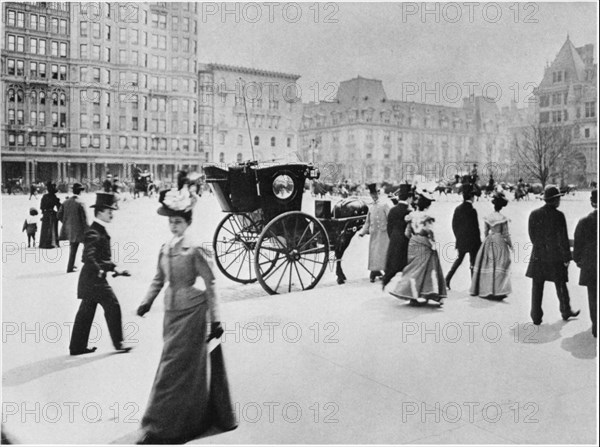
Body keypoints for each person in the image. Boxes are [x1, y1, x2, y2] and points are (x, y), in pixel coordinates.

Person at [135, 185, 232, 444]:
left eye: (178, 222)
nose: (173, 226)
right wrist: (146, 302)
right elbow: (158, 278)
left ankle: (161, 426)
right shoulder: (165, 248)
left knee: (173, 370)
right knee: (176, 368)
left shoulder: (195, 249)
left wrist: (216, 320)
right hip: (171, 313)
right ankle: (183, 418)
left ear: (187, 222)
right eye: (170, 222)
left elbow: (211, 284)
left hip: (192, 314)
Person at [69, 192, 133, 355]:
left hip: (89, 279)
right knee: (113, 306)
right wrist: (100, 270)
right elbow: (87, 256)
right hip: (95, 280)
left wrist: (116, 269)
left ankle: (77, 347)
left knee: (86, 312)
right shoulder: (94, 232)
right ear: (100, 212)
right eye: (109, 211)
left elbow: (101, 258)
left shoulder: (98, 230)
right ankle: (119, 343)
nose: (112, 214)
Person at [526, 185, 580, 325]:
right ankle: (565, 310)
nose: (559, 201)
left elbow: (532, 237)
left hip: (538, 255)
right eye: (558, 198)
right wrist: (567, 257)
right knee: (561, 284)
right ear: (555, 200)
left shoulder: (534, 214)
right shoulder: (559, 216)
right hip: (555, 257)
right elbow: (563, 239)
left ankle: (535, 316)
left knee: (537, 286)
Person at [390, 212, 447, 306]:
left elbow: (407, 233)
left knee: (413, 269)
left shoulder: (411, 216)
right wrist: (433, 243)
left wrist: (414, 238)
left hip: (413, 244)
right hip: (425, 244)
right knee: (430, 269)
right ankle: (434, 294)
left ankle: (410, 293)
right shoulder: (426, 216)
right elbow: (430, 232)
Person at [470, 191, 513, 299]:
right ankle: (498, 290)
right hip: (499, 240)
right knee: (501, 264)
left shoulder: (488, 217)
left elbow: (485, 232)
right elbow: (506, 234)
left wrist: (485, 242)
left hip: (489, 240)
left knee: (488, 265)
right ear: (501, 206)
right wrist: (511, 245)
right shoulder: (503, 218)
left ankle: (487, 289)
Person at [445, 184, 481, 289]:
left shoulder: (458, 209)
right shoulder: (472, 211)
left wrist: (458, 237)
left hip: (461, 240)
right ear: (472, 197)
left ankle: (447, 279)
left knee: (458, 261)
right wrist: (478, 242)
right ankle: (474, 285)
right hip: (473, 242)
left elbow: (454, 225)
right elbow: (476, 228)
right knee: (473, 263)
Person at [573, 189, 597, 337]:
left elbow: (577, 248)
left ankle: (596, 325)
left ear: (592, 202)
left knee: (593, 296)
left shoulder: (584, 222)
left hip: (591, 266)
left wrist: (580, 262)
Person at [358, 183, 391, 282]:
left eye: (375, 194)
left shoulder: (384, 205)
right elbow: (367, 221)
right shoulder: (371, 207)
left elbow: (390, 219)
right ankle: (374, 271)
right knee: (374, 253)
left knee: (383, 253)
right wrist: (363, 232)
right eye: (372, 195)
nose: (374, 197)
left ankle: (385, 271)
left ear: (378, 194)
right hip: (374, 234)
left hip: (384, 234)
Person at [382, 184, 412, 288]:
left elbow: (389, 227)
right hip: (405, 241)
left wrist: (392, 238)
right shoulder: (409, 211)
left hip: (394, 240)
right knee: (407, 266)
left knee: (394, 264)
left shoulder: (392, 210)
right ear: (408, 198)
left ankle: (386, 281)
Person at [58, 183, 88, 273]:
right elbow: (84, 218)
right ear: (80, 192)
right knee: (88, 246)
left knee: (73, 250)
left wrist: (66, 223)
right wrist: (88, 230)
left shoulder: (66, 202)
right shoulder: (81, 202)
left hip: (70, 230)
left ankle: (69, 268)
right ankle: (88, 266)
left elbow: (59, 215)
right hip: (80, 230)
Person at [38, 182, 61, 249]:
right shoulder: (54, 197)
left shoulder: (44, 197)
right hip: (52, 214)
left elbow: (42, 207)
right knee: (52, 228)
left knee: (45, 229)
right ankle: (52, 242)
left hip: (46, 214)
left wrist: (43, 212)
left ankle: (44, 243)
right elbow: (59, 207)